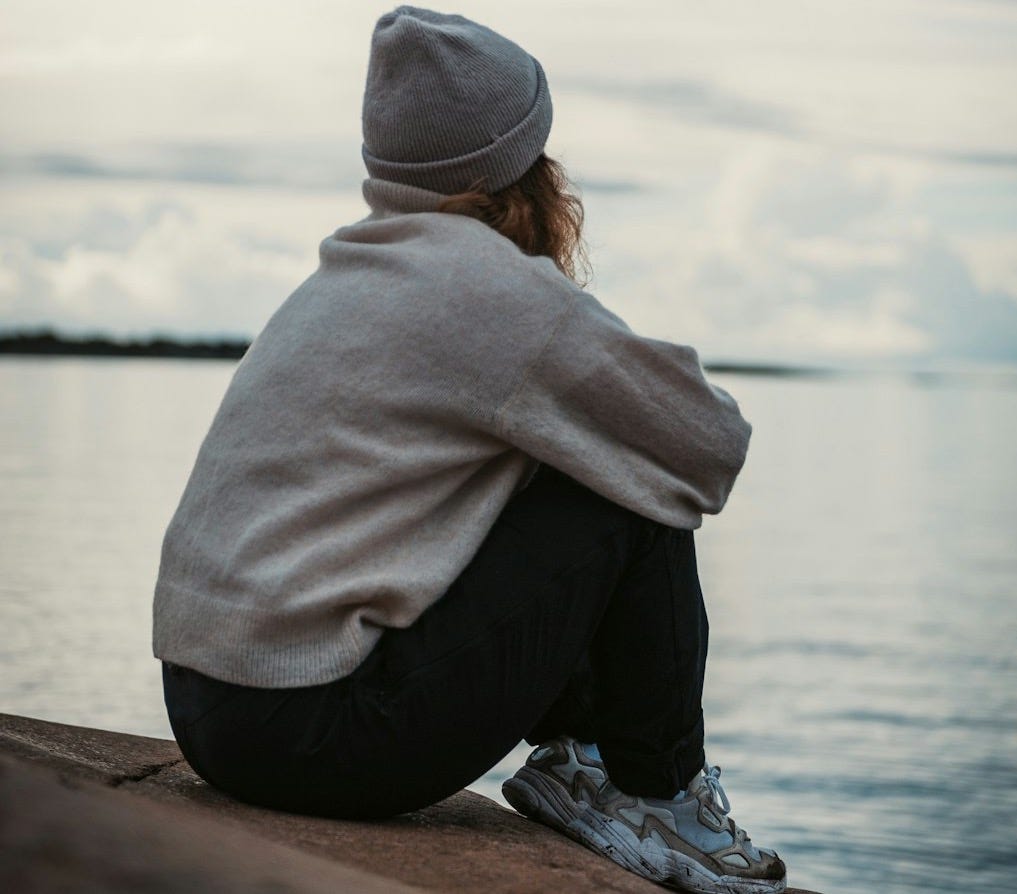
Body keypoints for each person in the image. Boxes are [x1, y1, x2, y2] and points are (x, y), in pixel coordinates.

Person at [153, 6, 786, 893]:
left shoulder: (339, 275)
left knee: (571, 455)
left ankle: (583, 762)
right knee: (635, 488)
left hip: (207, 713)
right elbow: (706, 447)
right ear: (523, 166)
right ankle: (657, 794)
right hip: (318, 737)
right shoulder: (488, 290)